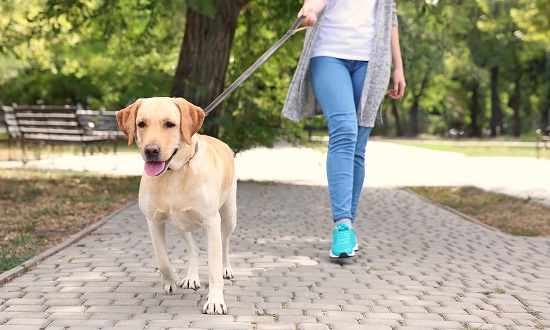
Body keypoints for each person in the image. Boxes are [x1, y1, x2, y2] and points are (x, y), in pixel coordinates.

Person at [282, 0, 406, 258]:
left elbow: (389, 15)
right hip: (328, 54)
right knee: (344, 130)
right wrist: (309, 10)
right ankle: (342, 225)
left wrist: (399, 67)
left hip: (372, 61)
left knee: (358, 147)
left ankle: (348, 226)